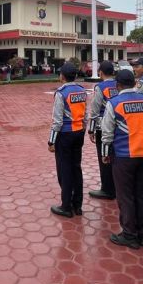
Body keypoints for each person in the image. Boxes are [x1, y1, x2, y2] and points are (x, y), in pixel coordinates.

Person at [100, 70, 143, 249]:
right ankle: (142, 234)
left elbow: (107, 132)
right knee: (142, 195)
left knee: (125, 196)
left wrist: (105, 153)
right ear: (134, 82)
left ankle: (129, 234)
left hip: (124, 156)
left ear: (118, 85)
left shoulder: (114, 103)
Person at [48, 62, 87, 218]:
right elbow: (85, 114)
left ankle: (66, 206)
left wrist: (51, 141)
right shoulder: (82, 90)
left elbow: (57, 120)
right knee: (76, 167)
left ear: (62, 76)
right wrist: (83, 130)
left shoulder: (61, 93)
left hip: (65, 134)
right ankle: (78, 205)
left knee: (64, 169)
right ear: (75, 76)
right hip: (79, 133)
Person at [87, 61, 118, 200]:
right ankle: (117, 186)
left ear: (100, 72)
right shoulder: (119, 84)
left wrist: (91, 130)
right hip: (119, 126)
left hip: (103, 127)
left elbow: (95, 110)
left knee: (104, 157)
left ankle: (107, 189)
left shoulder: (100, 87)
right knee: (115, 157)